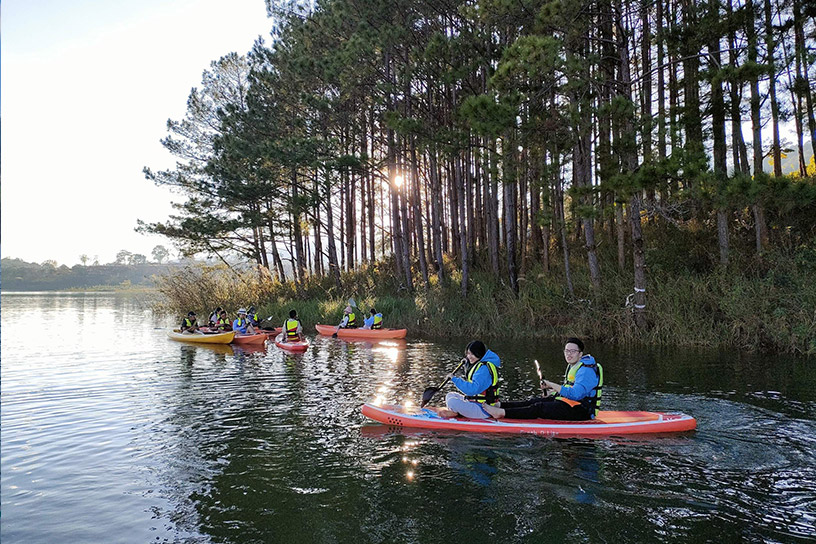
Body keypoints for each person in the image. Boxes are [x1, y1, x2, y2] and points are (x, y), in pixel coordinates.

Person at [481, 337, 603, 421]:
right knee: (533, 401)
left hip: (581, 411)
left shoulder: (586, 370)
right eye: (566, 351)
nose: (568, 354)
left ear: (580, 354)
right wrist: (552, 392)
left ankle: (501, 413)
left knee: (539, 408)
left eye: (573, 351)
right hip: (570, 404)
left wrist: (550, 384)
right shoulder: (575, 366)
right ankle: (499, 405)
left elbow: (576, 394)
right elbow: (569, 388)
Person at [441, 340, 502, 419]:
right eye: (468, 354)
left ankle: (455, 412)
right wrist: (467, 363)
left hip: (484, 409)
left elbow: (472, 390)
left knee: (452, 402)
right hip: (475, 403)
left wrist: (455, 380)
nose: (469, 356)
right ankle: (456, 412)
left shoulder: (484, 369)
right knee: (450, 395)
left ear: (479, 353)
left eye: (472, 354)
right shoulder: (480, 363)